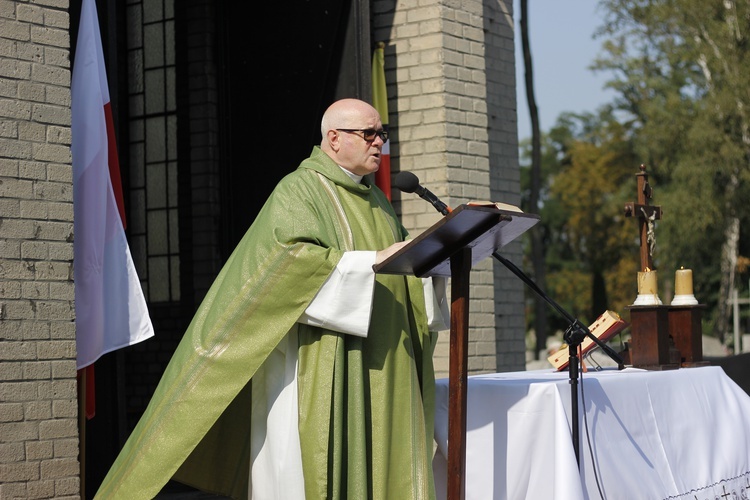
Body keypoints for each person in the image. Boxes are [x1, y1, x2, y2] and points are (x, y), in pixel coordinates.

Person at [95, 98, 449, 499]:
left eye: (381, 134)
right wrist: (369, 261)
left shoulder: (379, 202)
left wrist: (431, 262)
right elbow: (287, 263)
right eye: (369, 133)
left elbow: (400, 263)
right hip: (322, 359)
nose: (378, 143)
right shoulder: (300, 190)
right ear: (333, 138)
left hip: (381, 361)